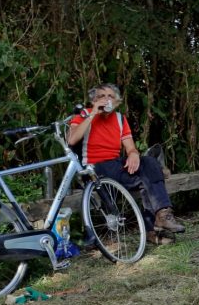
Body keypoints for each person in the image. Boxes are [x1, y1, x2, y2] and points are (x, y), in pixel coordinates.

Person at [68, 83, 184, 245]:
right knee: (150, 175)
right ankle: (151, 230)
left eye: (110, 97)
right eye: (101, 96)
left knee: (149, 165)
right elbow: (71, 140)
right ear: (94, 100)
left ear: (117, 102)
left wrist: (133, 154)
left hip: (116, 166)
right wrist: (93, 113)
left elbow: (130, 147)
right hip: (94, 169)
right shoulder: (83, 115)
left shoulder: (120, 119)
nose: (106, 100)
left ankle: (161, 217)